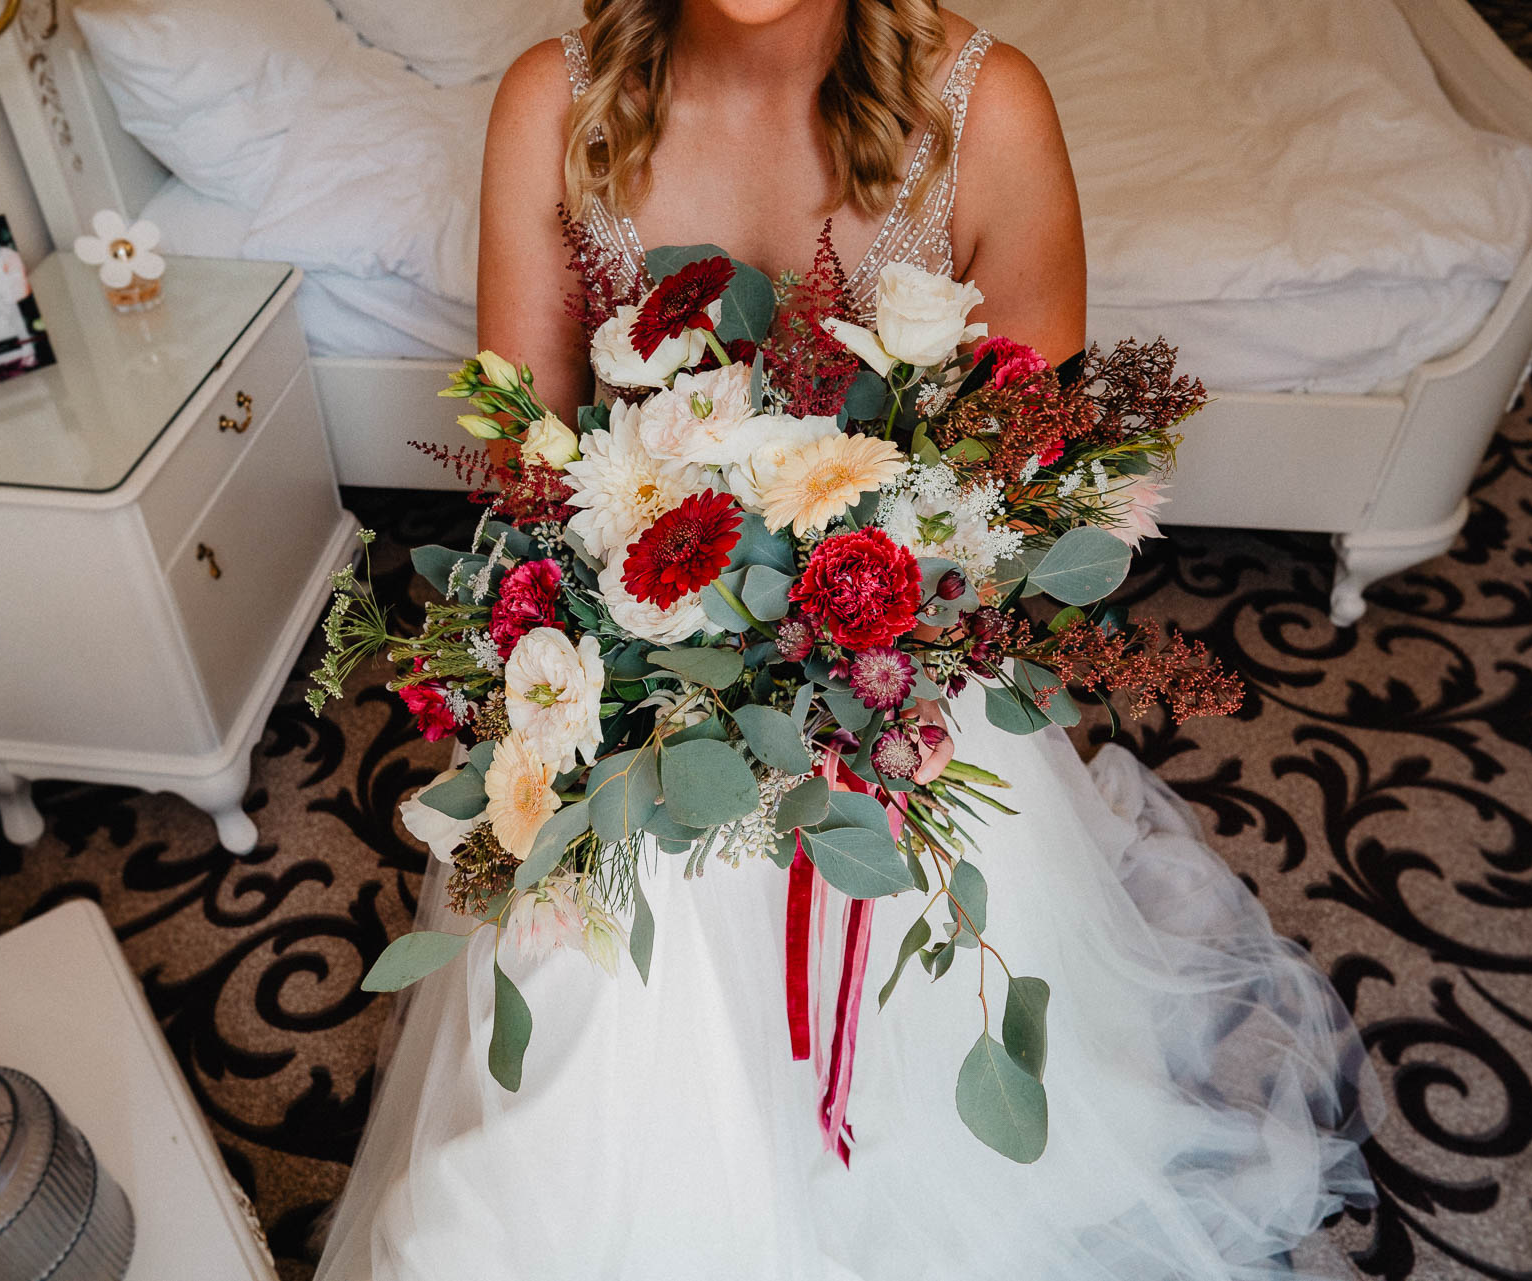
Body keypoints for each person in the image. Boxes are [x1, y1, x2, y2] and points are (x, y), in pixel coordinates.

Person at [316, 3, 1378, 1278]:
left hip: (900, 689)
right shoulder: (554, 102)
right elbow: (525, 480)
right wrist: (679, 671)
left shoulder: (993, 107)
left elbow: (1026, 505)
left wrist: (854, 677)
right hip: (640, 694)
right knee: (599, 1030)